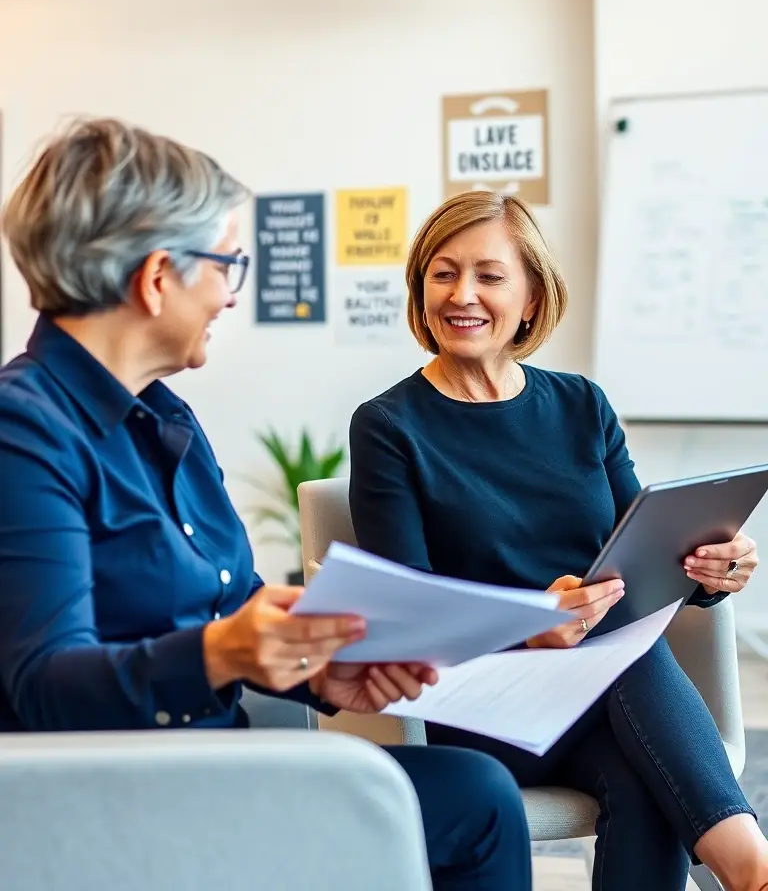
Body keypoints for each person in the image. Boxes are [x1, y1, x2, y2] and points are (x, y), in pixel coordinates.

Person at [0, 120, 533, 891]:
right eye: (226, 263)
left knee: (475, 794)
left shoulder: (167, 418)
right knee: (471, 800)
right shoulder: (23, 431)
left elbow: (235, 600)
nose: (230, 291)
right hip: (107, 798)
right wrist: (224, 653)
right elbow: (45, 685)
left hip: (214, 761)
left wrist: (323, 670)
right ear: (157, 278)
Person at [349, 189, 768, 891]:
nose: (463, 294)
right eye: (443, 273)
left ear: (533, 298)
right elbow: (408, 616)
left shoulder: (581, 405)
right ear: (421, 290)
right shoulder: (389, 425)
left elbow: (644, 552)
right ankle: (749, 864)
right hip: (478, 706)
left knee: (641, 766)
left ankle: (749, 864)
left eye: (489, 275)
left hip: (597, 698)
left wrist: (709, 571)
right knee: (626, 668)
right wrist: (530, 627)